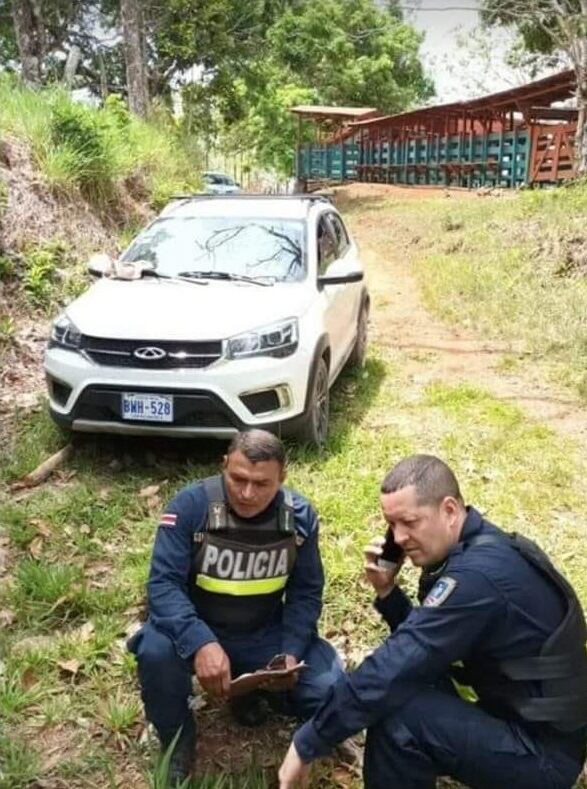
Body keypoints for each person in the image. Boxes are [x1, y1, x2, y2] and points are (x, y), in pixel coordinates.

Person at [278, 454, 587, 789]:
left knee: (398, 717)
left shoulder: (476, 578)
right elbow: (427, 648)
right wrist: (387, 592)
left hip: (543, 758)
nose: (397, 538)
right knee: (402, 683)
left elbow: (397, 662)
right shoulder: (480, 543)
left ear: (450, 510)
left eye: (410, 522)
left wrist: (308, 741)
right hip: (525, 720)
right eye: (391, 524)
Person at [129, 429, 343, 784]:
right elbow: (163, 585)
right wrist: (200, 642)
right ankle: (176, 738)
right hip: (197, 628)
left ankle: (252, 691)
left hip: (262, 632)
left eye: (262, 484)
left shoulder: (299, 517)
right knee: (154, 652)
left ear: (282, 479)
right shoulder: (190, 507)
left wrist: (290, 652)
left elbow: (306, 592)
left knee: (330, 690)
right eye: (238, 479)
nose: (247, 494)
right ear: (224, 465)